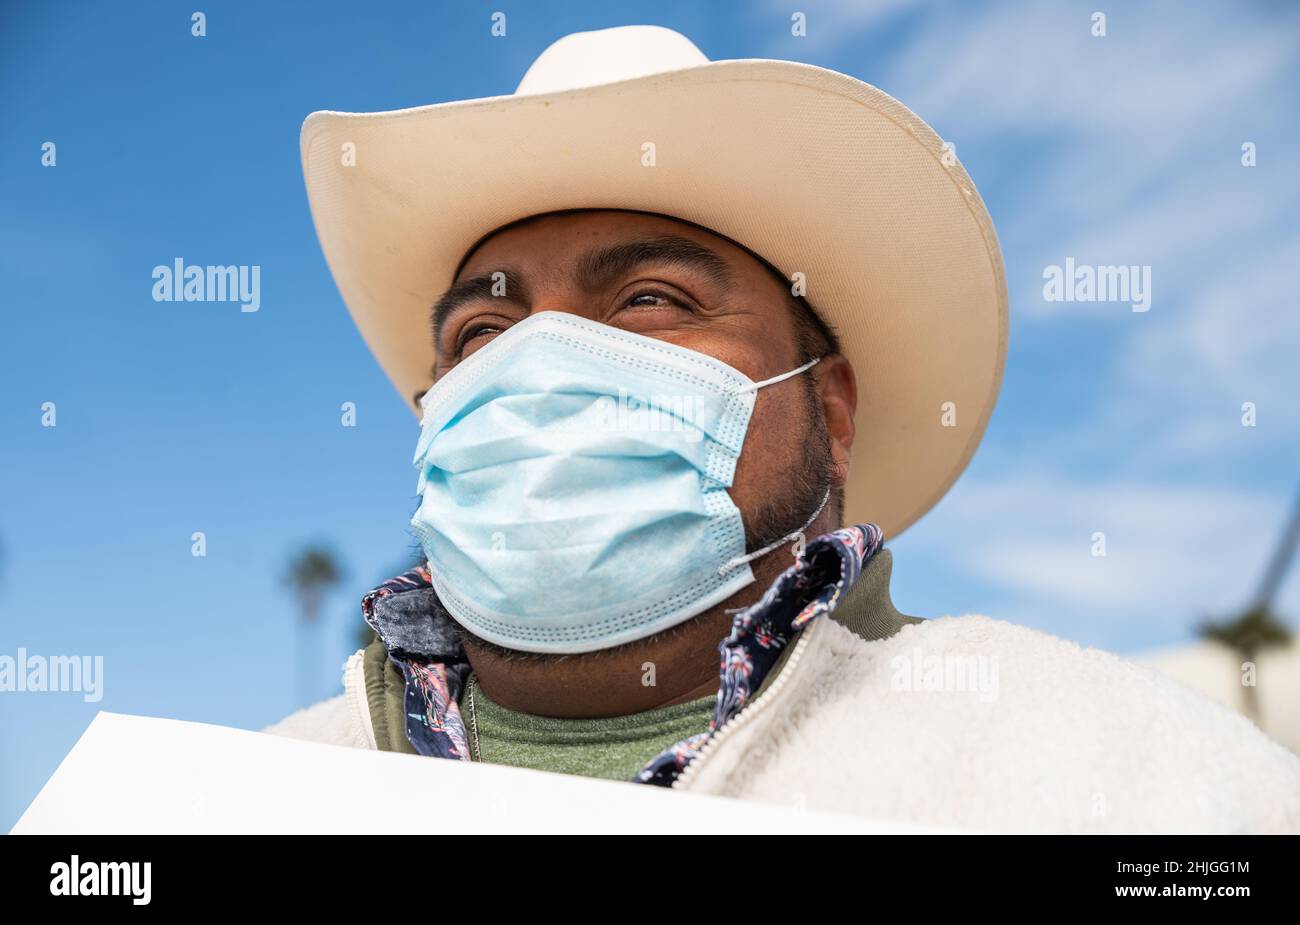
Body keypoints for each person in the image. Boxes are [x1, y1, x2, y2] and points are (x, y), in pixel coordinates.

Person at [266, 25, 1300, 832]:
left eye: (649, 302)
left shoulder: (1154, 783)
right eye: (485, 331)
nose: (540, 364)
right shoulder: (229, 799)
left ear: (830, 406)